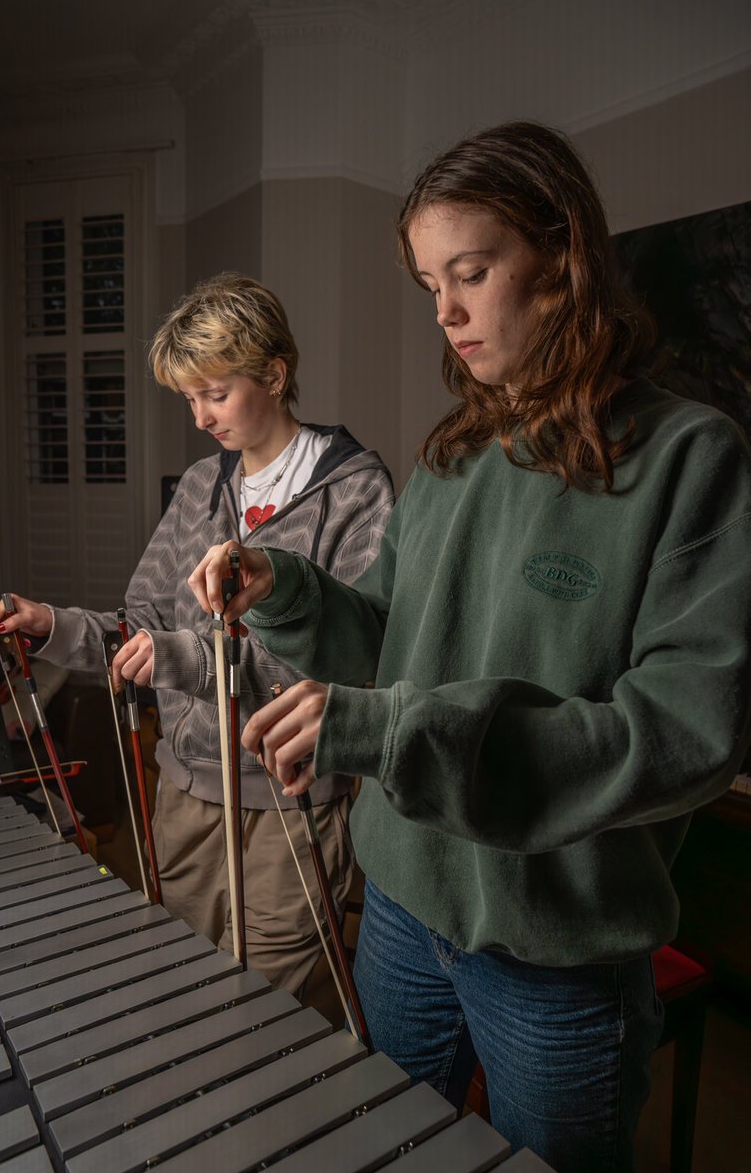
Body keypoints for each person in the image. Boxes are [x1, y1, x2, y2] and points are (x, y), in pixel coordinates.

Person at [187, 124, 751, 1172]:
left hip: (555, 950)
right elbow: (380, 646)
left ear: (563, 263)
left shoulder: (689, 459)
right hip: (401, 904)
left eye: (470, 273)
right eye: (426, 285)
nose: (444, 313)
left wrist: (393, 728)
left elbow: (682, 735)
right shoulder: (449, 458)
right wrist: (286, 589)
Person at [0, 272, 394, 997]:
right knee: (185, 999)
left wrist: (187, 659)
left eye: (217, 392)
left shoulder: (356, 491)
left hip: (288, 808)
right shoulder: (202, 486)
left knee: (264, 1013)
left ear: (275, 372)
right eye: (189, 398)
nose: (201, 416)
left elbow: (349, 660)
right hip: (185, 799)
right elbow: (142, 627)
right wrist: (55, 627)